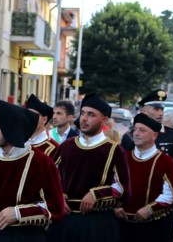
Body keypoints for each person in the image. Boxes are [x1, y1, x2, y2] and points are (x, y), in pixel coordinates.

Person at [0, 100, 64, 241]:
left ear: (12, 127)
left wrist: (18, 213)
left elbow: (55, 208)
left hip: (25, 236)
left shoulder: (41, 163)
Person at [48, 93, 130, 242]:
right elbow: (49, 178)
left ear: (103, 120)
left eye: (91, 115)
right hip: (65, 221)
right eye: (83, 113)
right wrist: (58, 195)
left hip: (98, 223)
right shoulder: (67, 146)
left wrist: (96, 194)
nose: (84, 119)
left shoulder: (113, 149)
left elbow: (123, 188)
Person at [114, 113, 173, 242]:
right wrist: (116, 204)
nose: (136, 133)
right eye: (135, 129)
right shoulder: (123, 157)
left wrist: (150, 209)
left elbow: (171, 194)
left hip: (153, 228)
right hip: (122, 226)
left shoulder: (166, 162)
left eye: (142, 130)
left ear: (154, 135)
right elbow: (114, 184)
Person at [121, 89, 173, 166]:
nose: (161, 113)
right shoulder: (130, 137)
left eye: (162, 109)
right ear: (144, 111)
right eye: (156, 109)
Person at [25, 94, 60, 161]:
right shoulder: (19, 142)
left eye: (32, 115)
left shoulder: (54, 149)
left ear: (44, 119)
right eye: (27, 114)